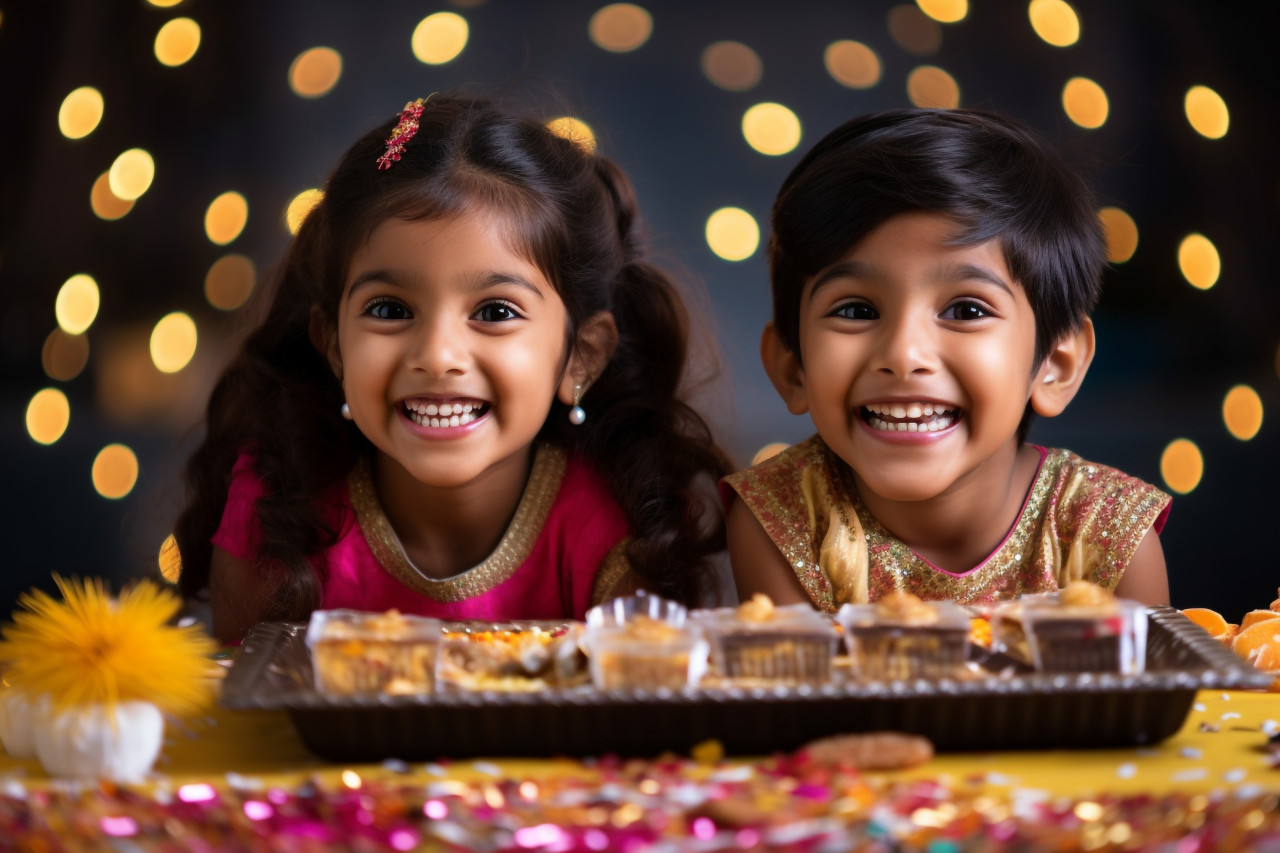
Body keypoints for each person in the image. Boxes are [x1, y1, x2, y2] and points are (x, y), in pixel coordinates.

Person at [175, 93, 730, 644]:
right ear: (334, 346)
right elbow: (249, 698)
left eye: (495, 312)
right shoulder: (278, 511)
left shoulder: (615, 530)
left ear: (581, 355)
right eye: (389, 310)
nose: (438, 356)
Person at [724, 108, 1171, 612]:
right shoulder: (780, 521)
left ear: (1056, 364)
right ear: (791, 366)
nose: (903, 354)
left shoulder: (1110, 538)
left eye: (966, 310)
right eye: (856, 310)